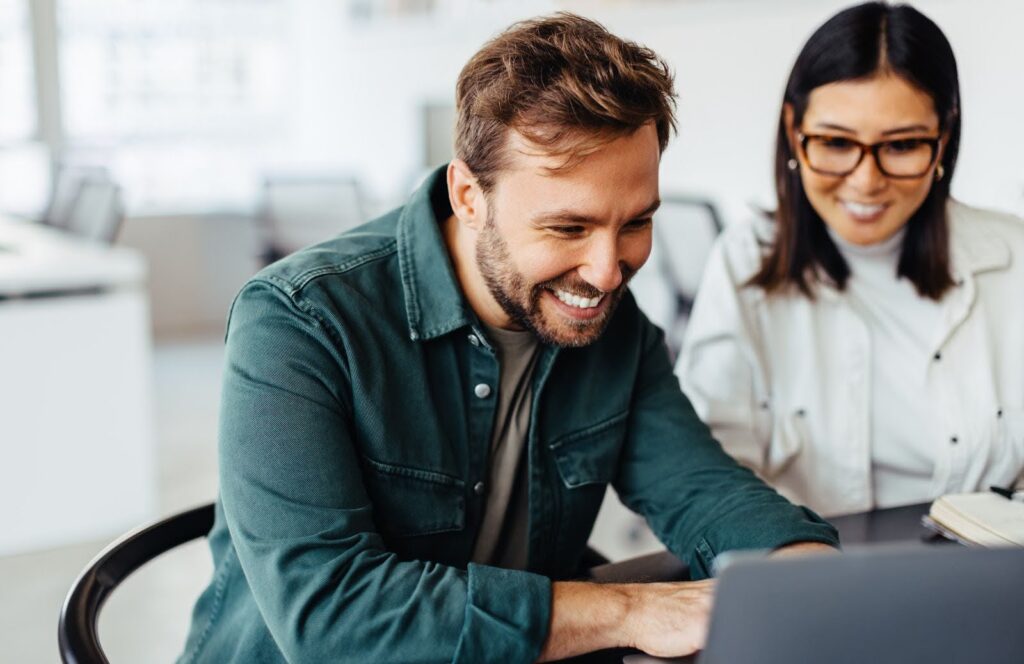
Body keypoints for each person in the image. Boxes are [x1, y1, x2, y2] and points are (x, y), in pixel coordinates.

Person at [179, 14, 838, 664]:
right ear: (469, 196)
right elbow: (333, 619)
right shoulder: (299, 323)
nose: (608, 272)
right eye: (568, 228)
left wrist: (809, 576)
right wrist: (629, 609)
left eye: (635, 222)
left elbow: (701, 489)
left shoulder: (611, 324)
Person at [677, 2, 1024, 518]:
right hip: (808, 575)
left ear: (943, 140)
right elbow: (706, 476)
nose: (866, 181)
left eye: (902, 144)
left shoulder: (1013, 257)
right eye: (837, 142)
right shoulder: (745, 261)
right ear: (794, 131)